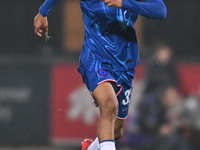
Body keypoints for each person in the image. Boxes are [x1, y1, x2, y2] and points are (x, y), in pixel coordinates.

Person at [34, 0, 167, 149]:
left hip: (125, 62)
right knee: (109, 104)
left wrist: (123, 3)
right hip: (96, 57)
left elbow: (160, 10)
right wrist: (43, 12)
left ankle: (91, 148)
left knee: (116, 130)